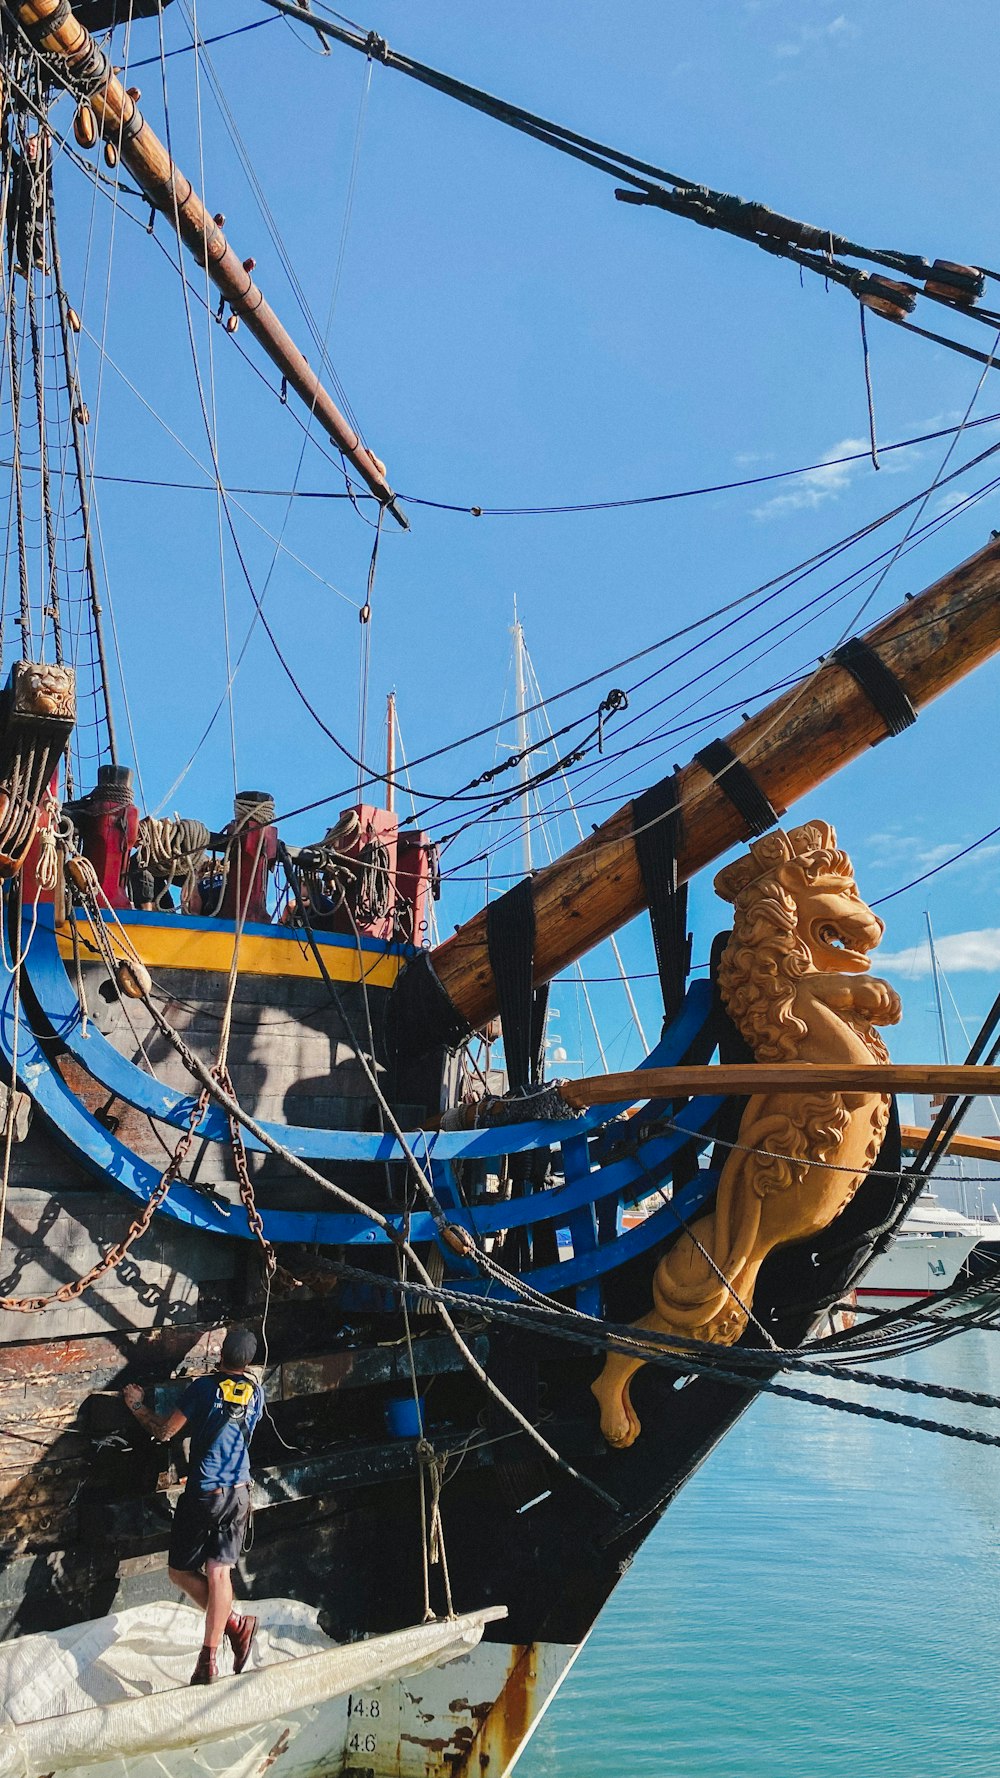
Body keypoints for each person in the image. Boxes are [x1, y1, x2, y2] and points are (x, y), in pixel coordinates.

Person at [124, 1327, 262, 1685]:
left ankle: (233, 1626)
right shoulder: (256, 1392)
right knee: (220, 1572)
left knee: (179, 1572)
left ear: (220, 1355)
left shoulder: (203, 1388)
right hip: (240, 1492)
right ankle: (210, 1659)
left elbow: (166, 1432)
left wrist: (137, 1406)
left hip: (206, 1495)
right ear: (248, 1362)